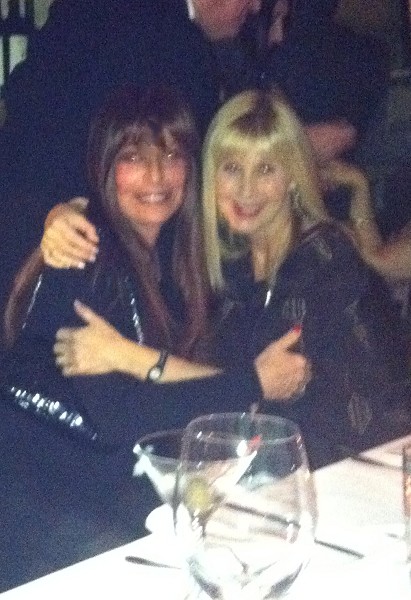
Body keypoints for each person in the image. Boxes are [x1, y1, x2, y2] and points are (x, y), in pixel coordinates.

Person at [0, 84, 309, 592]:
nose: (157, 176)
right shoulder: (86, 251)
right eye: (134, 159)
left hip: (98, 501)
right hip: (39, 520)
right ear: (104, 168)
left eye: (171, 156)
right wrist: (250, 384)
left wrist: (137, 358)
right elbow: (123, 417)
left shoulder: (172, 259)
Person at [40, 90, 411, 471]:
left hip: (352, 471)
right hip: (262, 472)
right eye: (231, 168)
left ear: (293, 177)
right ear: (209, 176)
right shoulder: (224, 264)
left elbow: (271, 394)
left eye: (266, 169)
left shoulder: (324, 258)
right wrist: (64, 211)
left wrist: (126, 356)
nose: (246, 190)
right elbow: (238, 384)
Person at [0, 0, 264, 342]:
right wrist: (52, 211)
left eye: (171, 154)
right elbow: (29, 114)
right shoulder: (110, 15)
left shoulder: (189, 44)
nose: (256, 6)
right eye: (135, 157)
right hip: (73, 242)